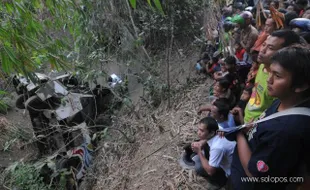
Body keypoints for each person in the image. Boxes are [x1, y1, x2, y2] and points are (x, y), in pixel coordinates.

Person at [231, 46, 310, 190]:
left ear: (301, 85)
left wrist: (239, 135)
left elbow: (255, 175)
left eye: (278, 76)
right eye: (270, 72)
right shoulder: (284, 100)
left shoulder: (284, 132)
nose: (269, 80)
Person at [242, 30, 301, 123]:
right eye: (264, 44)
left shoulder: (279, 84)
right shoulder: (262, 66)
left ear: (284, 52)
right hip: (247, 118)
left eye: (270, 48)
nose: (262, 50)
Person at [187, 117, 236, 189]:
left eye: (202, 131)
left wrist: (199, 152)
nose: (198, 132)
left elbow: (210, 171)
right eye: (198, 129)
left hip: (231, 171)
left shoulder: (217, 147)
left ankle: (219, 182)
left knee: (199, 168)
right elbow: (208, 139)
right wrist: (200, 144)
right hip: (231, 160)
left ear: (212, 132)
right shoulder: (217, 128)